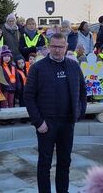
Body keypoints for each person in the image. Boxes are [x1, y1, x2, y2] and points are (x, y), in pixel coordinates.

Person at [24, 33, 87, 193]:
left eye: (61, 47)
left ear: (66, 47)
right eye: (54, 46)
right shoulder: (37, 68)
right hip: (47, 123)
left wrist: (78, 113)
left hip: (67, 123)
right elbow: (28, 97)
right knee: (44, 163)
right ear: (49, 47)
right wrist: (38, 122)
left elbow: (82, 92)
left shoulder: (73, 67)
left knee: (65, 162)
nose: (57, 50)